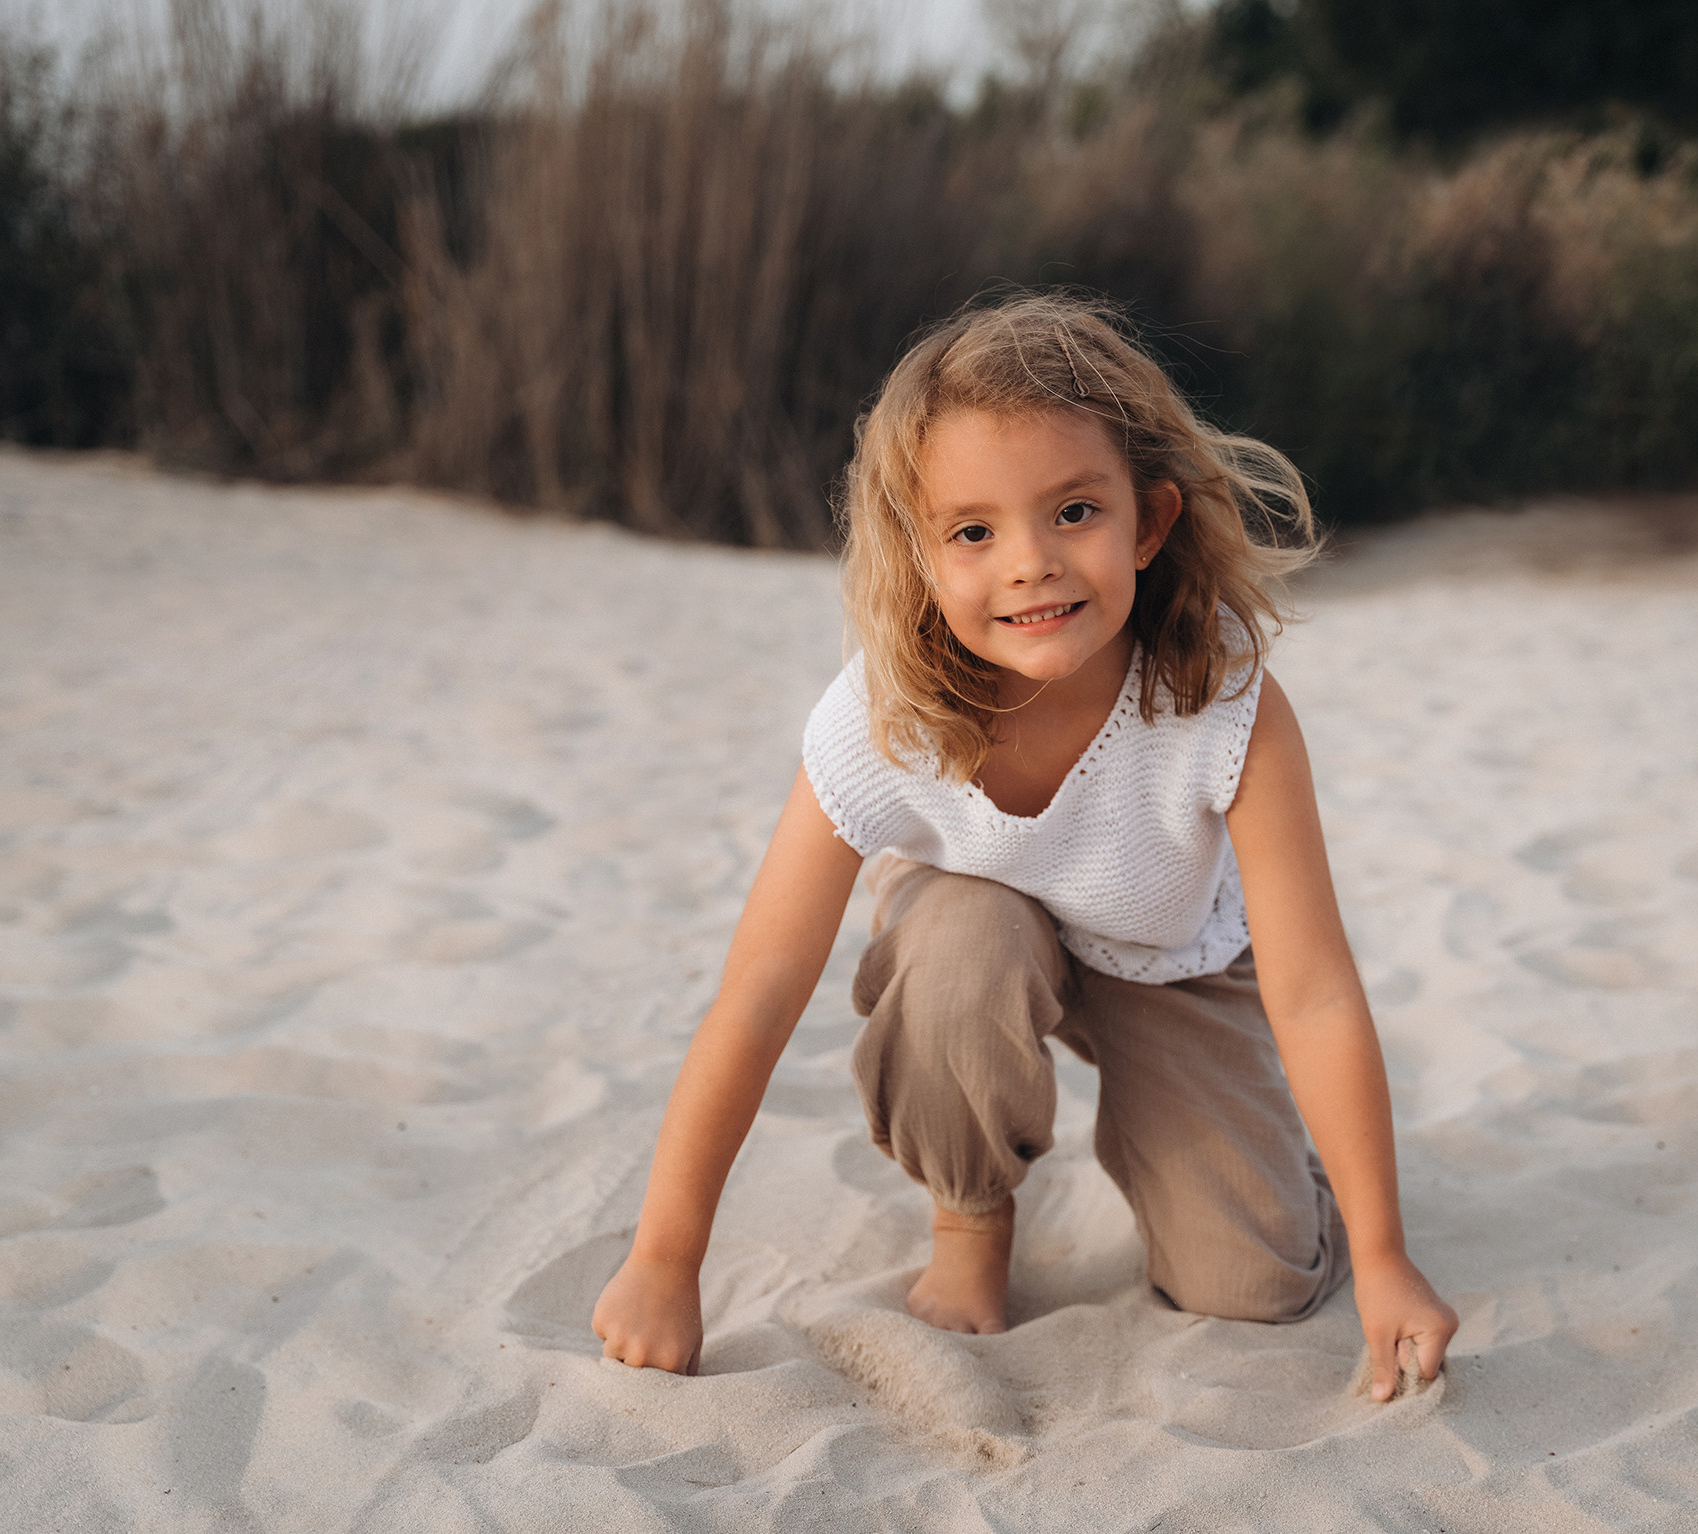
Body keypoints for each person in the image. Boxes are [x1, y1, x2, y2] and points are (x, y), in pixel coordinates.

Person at [592, 293, 1457, 1403]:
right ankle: (972, 1215)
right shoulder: (878, 722)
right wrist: (665, 1260)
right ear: (919, 554)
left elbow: (1316, 989)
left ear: (1146, 524)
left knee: (1254, 1281)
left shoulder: (1223, 696)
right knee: (960, 943)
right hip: (982, 934)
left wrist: (1383, 1260)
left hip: (1171, 953)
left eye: (1073, 512)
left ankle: (1295, 1183)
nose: (1029, 563)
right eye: (972, 531)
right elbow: (755, 994)